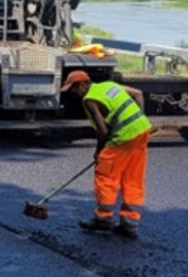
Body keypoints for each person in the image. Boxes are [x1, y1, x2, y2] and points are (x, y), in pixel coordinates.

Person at [60, 70, 152, 239]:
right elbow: (138, 94)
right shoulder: (109, 85)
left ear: (82, 85)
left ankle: (103, 220)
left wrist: (98, 152)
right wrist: (138, 118)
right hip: (141, 131)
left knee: (105, 175)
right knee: (132, 178)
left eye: (73, 90)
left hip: (123, 137)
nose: (73, 94)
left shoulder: (89, 100)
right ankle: (130, 224)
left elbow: (102, 131)